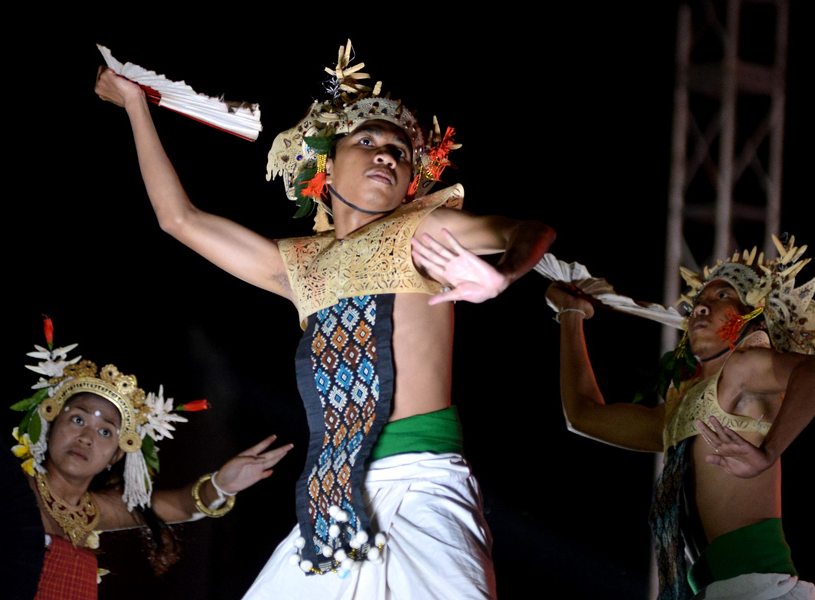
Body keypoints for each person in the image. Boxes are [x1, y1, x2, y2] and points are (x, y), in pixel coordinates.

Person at [94, 40, 556, 599]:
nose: (387, 153)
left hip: (422, 480)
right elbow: (179, 219)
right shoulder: (299, 265)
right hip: (333, 492)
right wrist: (137, 106)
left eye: (400, 151)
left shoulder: (425, 231)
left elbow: (527, 231)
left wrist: (502, 274)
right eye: (367, 141)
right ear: (327, 170)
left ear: (413, 179)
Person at [544, 236, 815, 599]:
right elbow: (583, 417)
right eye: (699, 301)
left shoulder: (745, 369)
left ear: (752, 316)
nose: (701, 307)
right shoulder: (679, 416)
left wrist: (768, 452)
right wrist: (570, 315)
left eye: (722, 297)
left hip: (760, 589)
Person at [9, 322, 292, 599]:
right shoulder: (13, 489)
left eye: (105, 431)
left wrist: (222, 485)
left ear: (118, 454)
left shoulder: (95, 510)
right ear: (51, 423)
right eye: (77, 419)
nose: (86, 437)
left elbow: (184, 505)